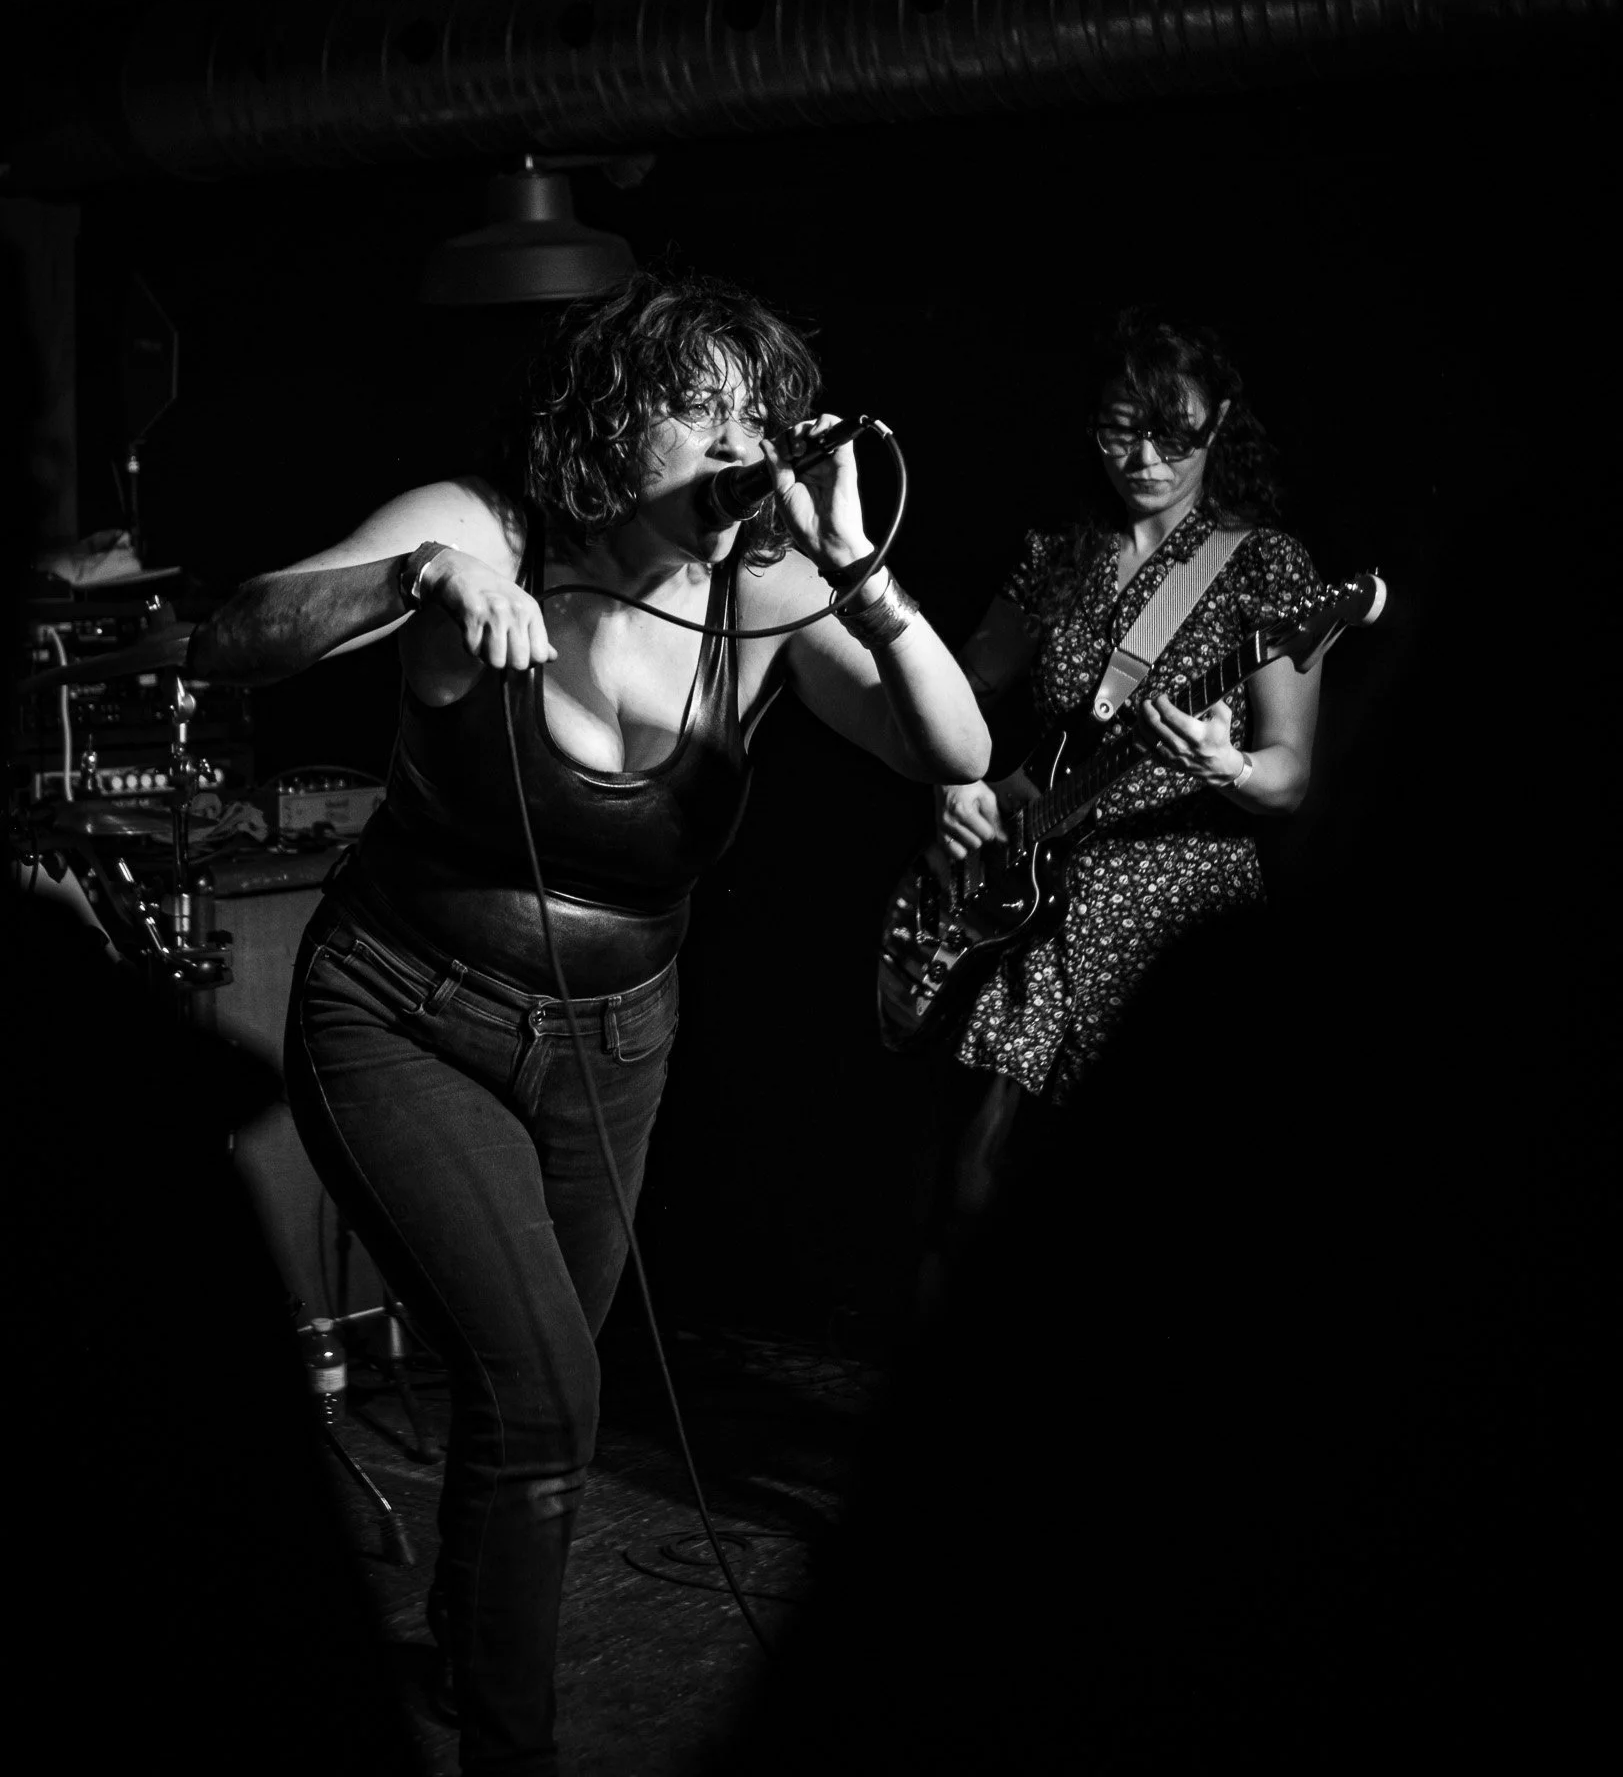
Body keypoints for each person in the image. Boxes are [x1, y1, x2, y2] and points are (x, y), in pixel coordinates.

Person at [182, 267, 988, 1777]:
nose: (743, 440)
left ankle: (464, 1658)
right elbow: (234, 632)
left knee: (531, 1401)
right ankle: (509, 1747)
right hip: (401, 1015)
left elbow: (954, 740)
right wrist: (413, 579)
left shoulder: (763, 594)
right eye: (704, 408)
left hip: (617, 1042)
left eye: (759, 410)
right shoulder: (483, 528)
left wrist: (859, 576)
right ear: (617, 422)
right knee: (549, 1395)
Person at [930, 305, 1322, 1249]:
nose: (1144, 456)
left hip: (1178, 909)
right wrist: (951, 784)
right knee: (976, 1180)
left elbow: (1290, 777)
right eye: (1120, 428)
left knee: (1156, 1193)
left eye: (1174, 433)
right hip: (1044, 890)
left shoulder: (1263, 566)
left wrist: (1227, 765)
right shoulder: (1060, 554)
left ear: (1220, 422)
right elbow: (954, 690)